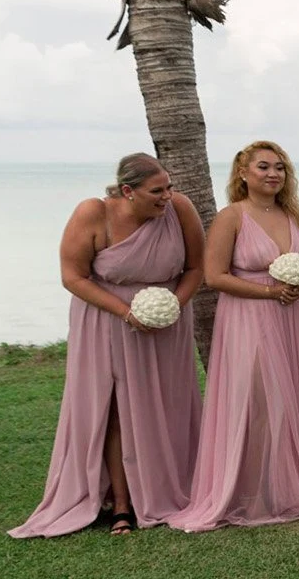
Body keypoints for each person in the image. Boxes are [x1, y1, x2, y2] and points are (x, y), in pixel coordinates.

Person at [12, 154, 205, 537]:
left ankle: (170, 487)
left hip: (167, 325)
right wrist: (127, 313)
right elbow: (73, 277)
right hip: (107, 322)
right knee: (113, 408)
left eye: (169, 187)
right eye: (157, 191)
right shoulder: (92, 213)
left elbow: (196, 268)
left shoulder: (180, 209)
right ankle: (121, 504)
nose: (167, 196)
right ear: (128, 191)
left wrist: (171, 307)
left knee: (166, 403)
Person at [166, 141, 299, 532]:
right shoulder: (232, 216)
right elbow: (215, 276)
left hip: (290, 317)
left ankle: (284, 485)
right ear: (243, 173)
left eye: (280, 167)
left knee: (290, 396)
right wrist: (269, 291)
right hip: (248, 317)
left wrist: (295, 286)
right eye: (264, 166)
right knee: (259, 398)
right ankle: (252, 489)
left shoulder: (293, 215)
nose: (273, 174)